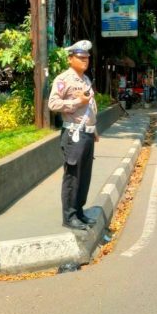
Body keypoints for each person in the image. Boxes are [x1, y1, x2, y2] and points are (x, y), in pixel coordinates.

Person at [48, 40, 99, 230]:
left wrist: (94, 129)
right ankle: (69, 217)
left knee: (84, 175)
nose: (85, 61)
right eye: (81, 57)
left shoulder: (85, 79)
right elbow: (53, 104)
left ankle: (79, 211)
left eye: (87, 58)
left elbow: (91, 106)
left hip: (87, 134)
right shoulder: (63, 80)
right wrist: (77, 102)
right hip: (73, 134)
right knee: (73, 176)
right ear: (70, 59)